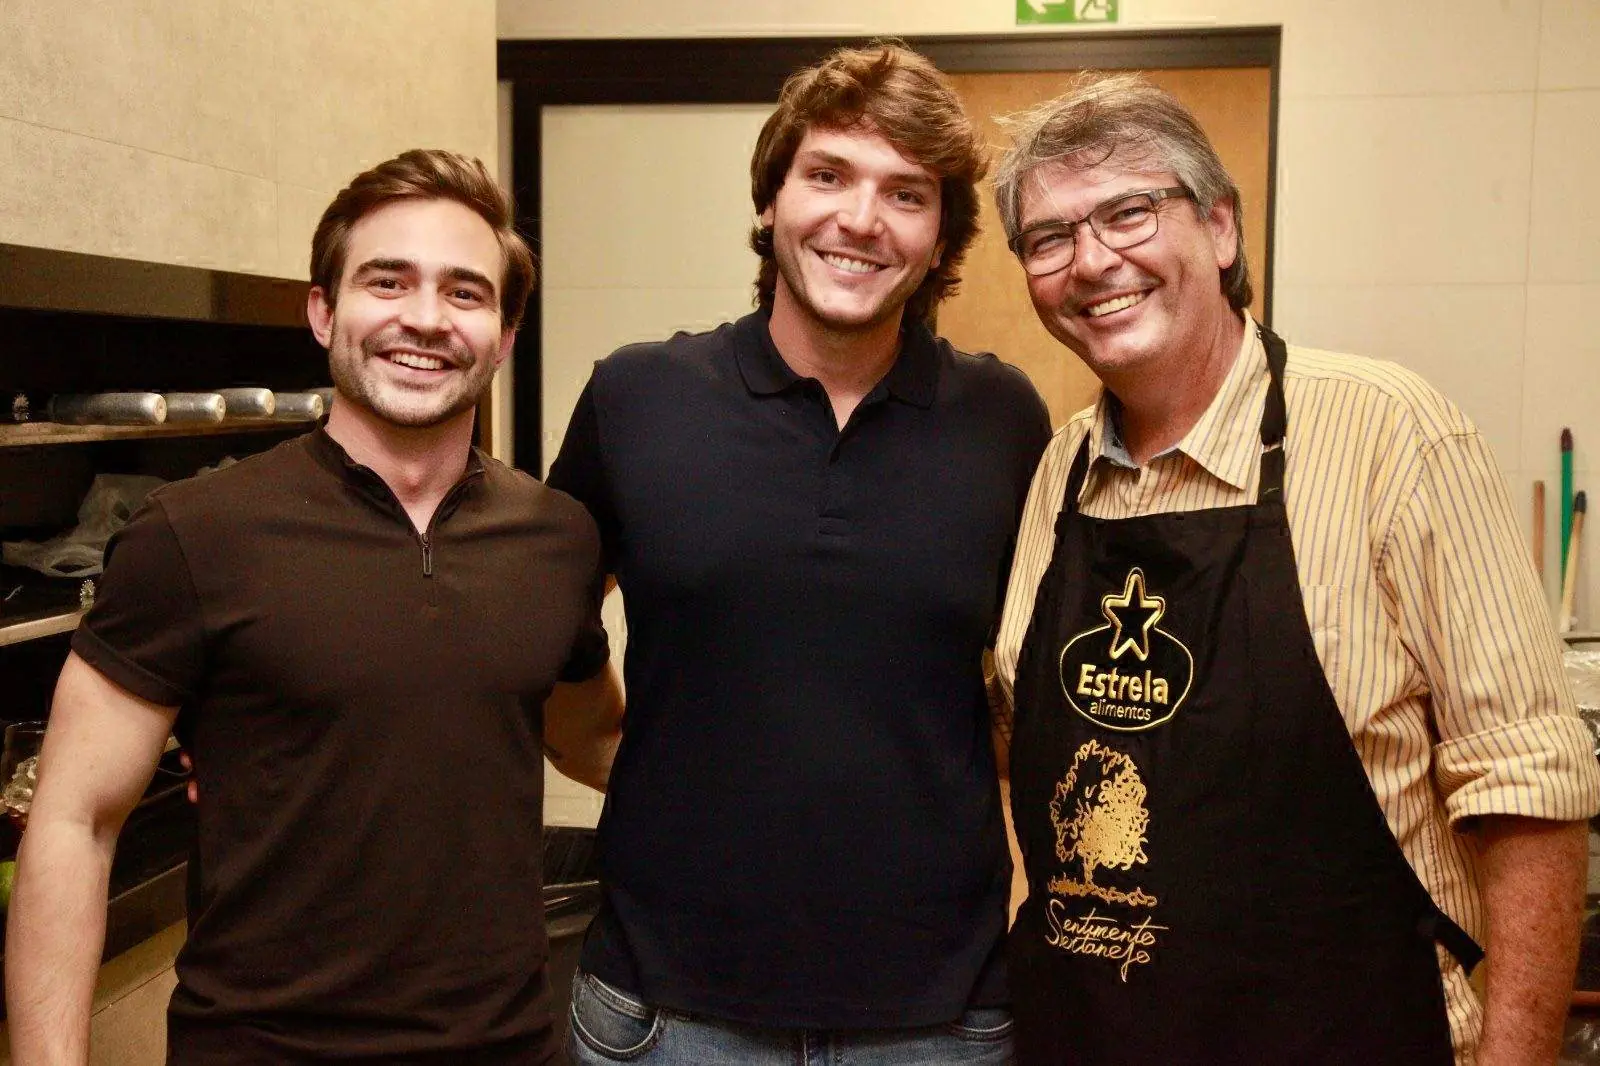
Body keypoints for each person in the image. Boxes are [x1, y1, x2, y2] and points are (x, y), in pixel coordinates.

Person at [989, 73, 1600, 1065]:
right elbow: (1021, 756)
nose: (1091, 261)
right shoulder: (1057, 471)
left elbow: (1527, 788)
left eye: (1128, 213)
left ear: (1220, 229)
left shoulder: (1390, 431)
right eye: (1049, 238)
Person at [5, 149, 623, 1065]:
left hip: (505, 1046)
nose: (424, 317)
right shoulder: (196, 534)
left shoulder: (557, 539)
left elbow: (590, 739)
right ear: (323, 309)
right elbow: (74, 818)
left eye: (465, 292)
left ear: (503, 333)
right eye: (388, 281)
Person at [544, 42, 1052, 1065]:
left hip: (937, 1019)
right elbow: (545, 638)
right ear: (772, 198)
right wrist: (656, 766)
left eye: (905, 193)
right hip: (663, 1014)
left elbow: (1032, 690)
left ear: (941, 235)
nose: (859, 220)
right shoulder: (636, 398)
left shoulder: (1004, 419)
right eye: (827, 175)